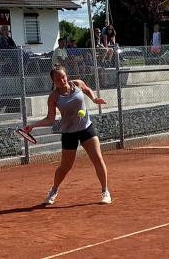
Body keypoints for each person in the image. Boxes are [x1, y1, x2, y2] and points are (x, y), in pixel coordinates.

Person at [23, 65, 112, 205]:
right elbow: (50, 119)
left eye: (63, 77)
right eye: (57, 79)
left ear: (66, 76)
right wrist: (33, 126)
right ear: (53, 81)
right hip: (68, 133)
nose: (61, 80)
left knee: (98, 158)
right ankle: (54, 190)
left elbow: (87, 89)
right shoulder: (53, 97)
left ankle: (105, 191)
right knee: (65, 167)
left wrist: (94, 99)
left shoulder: (77, 84)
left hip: (86, 128)